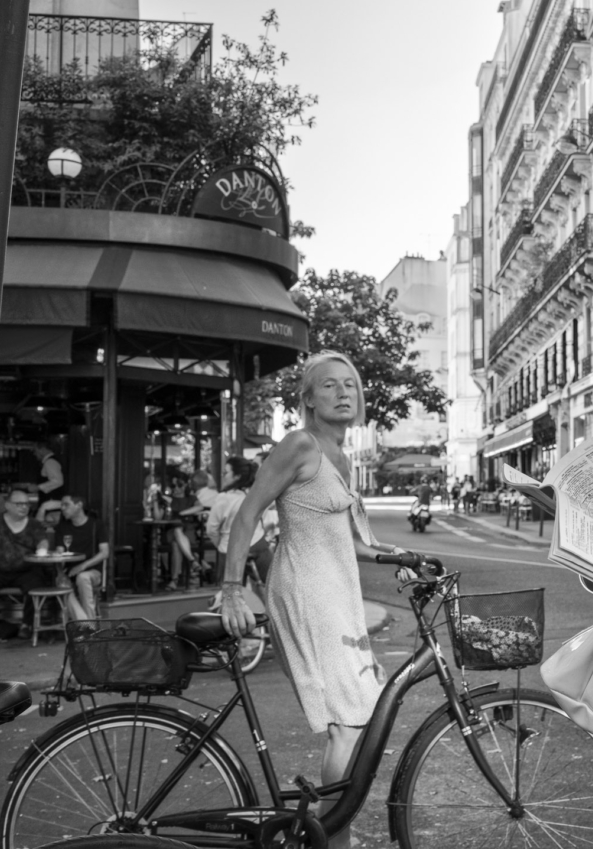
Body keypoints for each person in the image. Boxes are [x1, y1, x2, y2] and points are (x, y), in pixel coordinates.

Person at [219, 351, 399, 849]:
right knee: (347, 724)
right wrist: (232, 588)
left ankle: (329, 830)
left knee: (360, 715)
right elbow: (247, 512)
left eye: (351, 385)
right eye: (329, 386)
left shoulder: (341, 456)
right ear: (308, 399)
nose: (344, 393)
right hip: (305, 591)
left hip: (338, 595)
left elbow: (353, 542)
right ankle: (332, 841)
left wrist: (403, 557)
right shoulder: (299, 445)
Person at [0, 489, 51, 641]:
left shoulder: (34, 524)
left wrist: (42, 549)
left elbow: (42, 540)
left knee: (35, 586)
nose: (24, 507)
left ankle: (27, 625)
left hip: (26, 570)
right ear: (7, 505)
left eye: (26, 504)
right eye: (19, 504)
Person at [206, 457, 276, 582]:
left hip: (230, 552)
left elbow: (211, 530)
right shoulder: (257, 494)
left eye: (226, 473)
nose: (223, 476)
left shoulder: (224, 498)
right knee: (272, 588)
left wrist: (222, 545)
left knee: (229, 595)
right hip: (258, 547)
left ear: (237, 476)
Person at [56, 495, 108, 620]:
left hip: (93, 571)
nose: (62, 508)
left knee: (83, 577)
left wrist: (83, 566)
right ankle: (86, 625)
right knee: (61, 584)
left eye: (66, 504)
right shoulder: (62, 527)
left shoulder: (97, 525)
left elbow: (105, 552)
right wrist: (60, 572)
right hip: (69, 572)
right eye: (61, 505)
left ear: (79, 505)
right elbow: (59, 552)